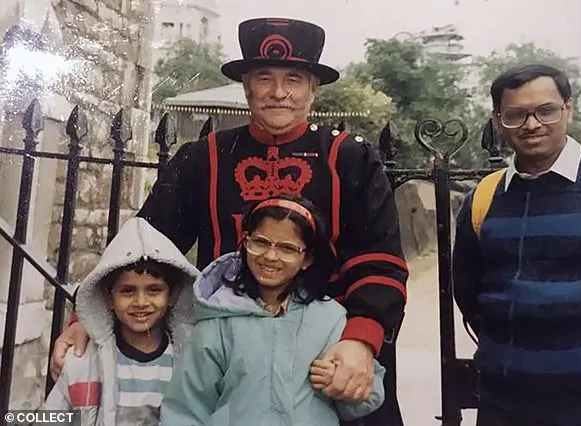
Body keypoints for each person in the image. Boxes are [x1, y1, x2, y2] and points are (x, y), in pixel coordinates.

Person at [51, 17, 407, 425]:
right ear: (246, 85)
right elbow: (144, 246)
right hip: (227, 361)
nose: (278, 93)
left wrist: (361, 341)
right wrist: (85, 319)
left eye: (293, 78)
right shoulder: (202, 158)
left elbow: (380, 261)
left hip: (331, 354)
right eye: (264, 78)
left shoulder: (350, 158)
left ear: (313, 87)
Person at [452, 63, 581, 426]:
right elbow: (469, 295)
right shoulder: (484, 199)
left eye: (546, 110)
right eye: (516, 114)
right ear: (498, 118)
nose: (532, 124)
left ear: (568, 108)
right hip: (506, 407)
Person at [161, 194, 386, 425]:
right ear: (246, 243)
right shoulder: (220, 320)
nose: (270, 256)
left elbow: (370, 393)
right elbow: (186, 409)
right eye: (260, 242)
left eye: (287, 248)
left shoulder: (330, 320)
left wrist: (341, 384)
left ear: (307, 258)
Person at [42, 217, 198, 425]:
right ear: (108, 297)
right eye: (127, 291)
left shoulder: (192, 362)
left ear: (173, 295)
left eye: (154, 290)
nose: (141, 302)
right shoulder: (81, 364)